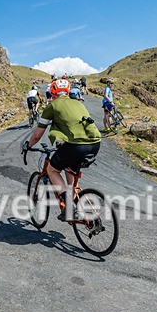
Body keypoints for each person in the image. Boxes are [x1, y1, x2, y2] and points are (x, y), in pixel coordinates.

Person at [22, 81, 101, 221]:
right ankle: (73, 195)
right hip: (95, 144)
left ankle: (70, 207)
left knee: (52, 170)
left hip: (76, 146)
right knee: (68, 166)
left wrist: (28, 145)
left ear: (52, 93)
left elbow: (38, 135)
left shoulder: (51, 106)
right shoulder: (78, 103)